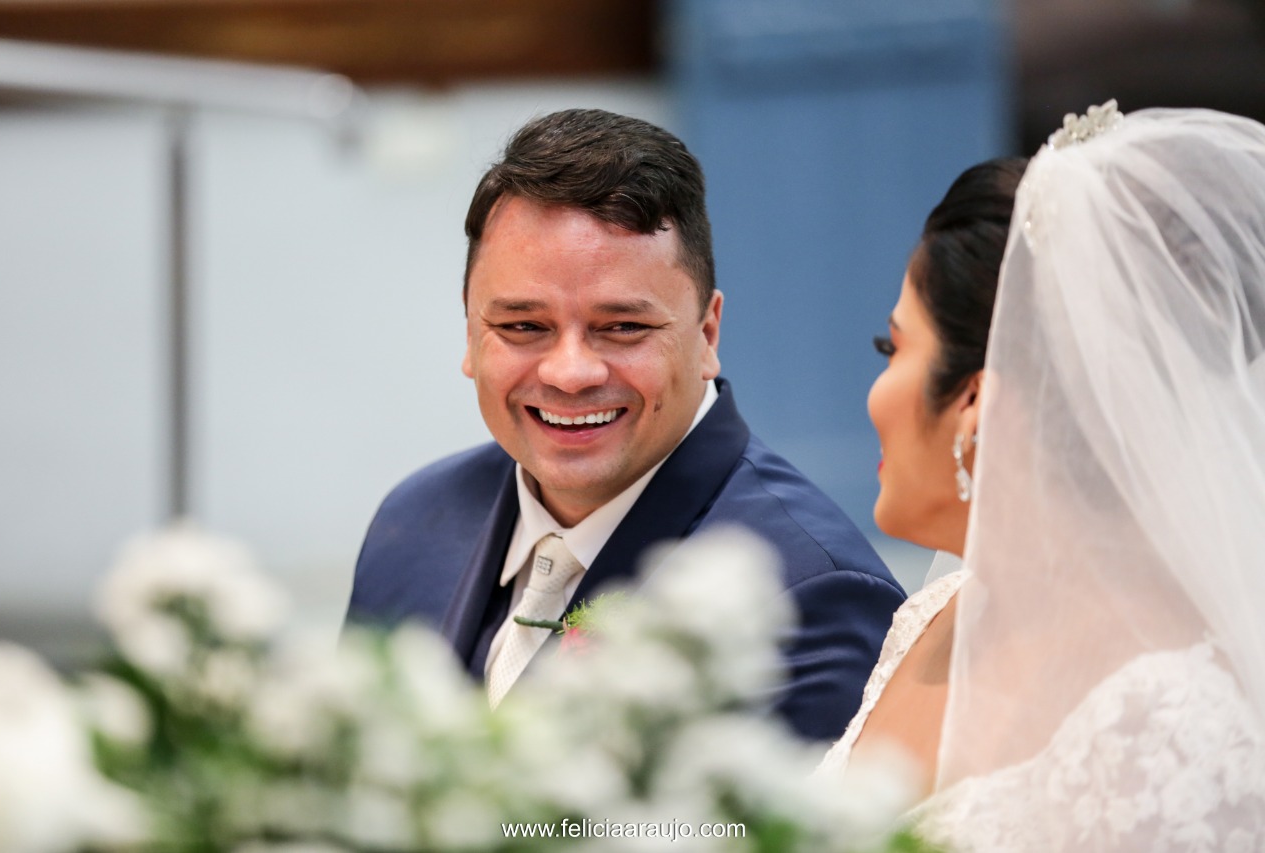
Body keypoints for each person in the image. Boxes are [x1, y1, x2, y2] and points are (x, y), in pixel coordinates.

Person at [347, 108, 904, 741]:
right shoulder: (414, 522)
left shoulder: (807, 600)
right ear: (471, 333)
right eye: (523, 326)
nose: (570, 373)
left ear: (707, 334)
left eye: (622, 328)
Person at [818, 102, 1265, 848]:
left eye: (893, 349)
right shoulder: (932, 617)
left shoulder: (1173, 721)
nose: (872, 392)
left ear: (976, 402)